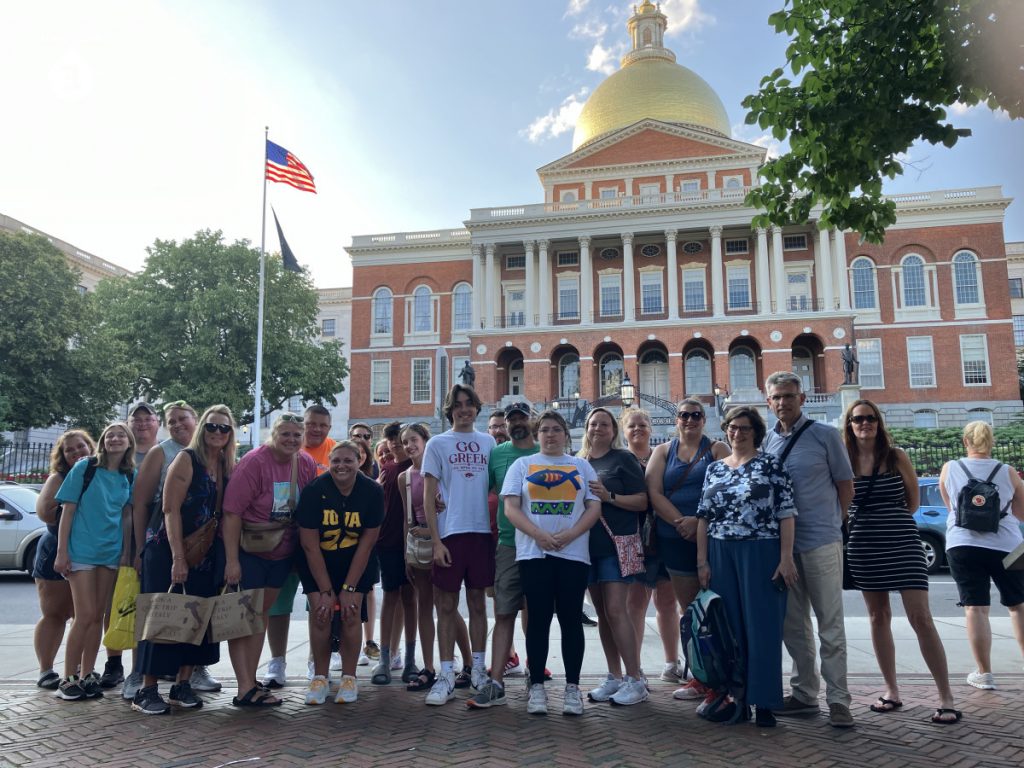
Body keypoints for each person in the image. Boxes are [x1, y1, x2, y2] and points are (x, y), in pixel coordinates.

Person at [842, 399, 958, 723]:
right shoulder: (844, 460)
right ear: (849, 425)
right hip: (864, 545)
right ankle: (891, 690)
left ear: (879, 423)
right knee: (878, 616)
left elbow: (913, 502)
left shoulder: (896, 456)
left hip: (903, 542)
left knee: (921, 617)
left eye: (870, 418)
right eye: (858, 419)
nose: (865, 423)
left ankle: (946, 697)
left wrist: (888, 520)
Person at [762, 371, 855, 728]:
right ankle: (804, 693)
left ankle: (839, 700)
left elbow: (845, 486)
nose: (783, 402)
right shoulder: (767, 441)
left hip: (820, 542)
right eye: (776, 397)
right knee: (793, 625)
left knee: (830, 624)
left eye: (789, 395)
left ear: (802, 399)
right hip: (782, 548)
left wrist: (833, 523)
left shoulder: (825, 435)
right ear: (768, 402)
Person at [696, 406, 797, 727]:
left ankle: (765, 702)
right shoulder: (714, 469)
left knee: (763, 628)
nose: (737, 433)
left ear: (756, 432)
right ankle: (738, 700)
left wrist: (786, 557)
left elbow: (786, 513)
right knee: (730, 631)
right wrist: (702, 561)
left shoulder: (771, 464)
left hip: (761, 551)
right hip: (720, 551)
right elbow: (703, 516)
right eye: (732, 427)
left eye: (744, 428)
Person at [132, 405, 237, 715]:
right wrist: (178, 558)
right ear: (202, 427)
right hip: (169, 548)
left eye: (224, 428)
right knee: (163, 617)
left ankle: (182, 684)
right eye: (212, 426)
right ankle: (147, 689)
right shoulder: (187, 458)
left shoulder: (225, 464)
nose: (217, 432)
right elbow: (170, 509)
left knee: (197, 617)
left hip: (205, 552)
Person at [502, 409, 601, 716]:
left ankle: (572, 688)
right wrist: (539, 535)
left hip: (573, 554)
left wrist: (571, 534)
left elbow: (594, 507)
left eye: (556, 429)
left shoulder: (581, 465)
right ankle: (537, 686)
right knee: (539, 620)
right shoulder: (522, 465)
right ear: (537, 434)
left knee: (571, 620)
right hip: (535, 554)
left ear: (566, 434)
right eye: (544, 429)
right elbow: (511, 508)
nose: (550, 434)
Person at [222, 412, 317, 707]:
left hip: (282, 552)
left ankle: (250, 682)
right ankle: (244, 688)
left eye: (296, 435)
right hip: (250, 552)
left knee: (261, 616)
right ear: (273, 435)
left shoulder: (305, 463)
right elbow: (231, 513)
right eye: (285, 433)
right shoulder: (254, 462)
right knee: (244, 619)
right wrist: (232, 561)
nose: (291, 439)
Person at [645, 398, 729, 700]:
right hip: (675, 540)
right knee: (690, 610)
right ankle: (699, 675)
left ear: (704, 419)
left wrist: (699, 523)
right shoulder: (662, 452)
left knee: (719, 607)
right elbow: (653, 493)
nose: (690, 420)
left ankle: (724, 673)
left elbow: (729, 491)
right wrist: (682, 523)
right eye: (684, 415)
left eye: (695, 415)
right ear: (676, 419)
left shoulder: (718, 449)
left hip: (713, 539)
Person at [421, 385, 496, 705]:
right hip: (450, 534)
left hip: (481, 533)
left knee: (478, 604)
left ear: (477, 408)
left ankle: (478, 669)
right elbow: (428, 497)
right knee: (446, 607)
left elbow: (496, 487)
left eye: (469, 404)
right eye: (458, 405)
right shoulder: (437, 443)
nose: (464, 409)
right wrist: (436, 541)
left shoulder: (489, 442)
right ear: (449, 410)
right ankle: (446, 674)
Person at [940, 420, 1024, 697]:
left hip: (963, 544)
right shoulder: (1008, 472)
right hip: (1008, 545)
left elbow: (951, 507)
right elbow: (1021, 513)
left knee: (975, 608)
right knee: (1018, 606)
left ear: (965, 441)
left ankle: (984, 673)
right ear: (992, 441)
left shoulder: (950, 468)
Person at [53, 422, 136, 701]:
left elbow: (127, 514)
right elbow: (68, 510)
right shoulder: (85, 468)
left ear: (129, 442)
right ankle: (68, 678)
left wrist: (126, 552)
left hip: (110, 552)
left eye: (121, 435)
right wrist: (62, 552)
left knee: (99, 616)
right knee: (84, 615)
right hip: (82, 551)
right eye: (110, 435)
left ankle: (88, 674)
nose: (115, 439)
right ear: (102, 441)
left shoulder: (129, 474)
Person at [128, 400, 206, 699]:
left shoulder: (211, 452)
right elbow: (141, 504)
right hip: (162, 541)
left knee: (194, 612)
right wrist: (140, 548)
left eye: (182, 419)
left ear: (195, 419)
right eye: (171, 421)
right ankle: (144, 681)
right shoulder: (160, 453)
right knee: (158, 612)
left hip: (201, 544)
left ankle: (187, 678)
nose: (177, 425)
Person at [298, 441, 383, 705]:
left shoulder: (372, 491)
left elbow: (367, 543)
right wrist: (325, 591)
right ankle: (320, 678)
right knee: (321, 614)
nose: (341, 465)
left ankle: (349, 677)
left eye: (348, 460)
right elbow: (309, 545)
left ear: (359, 462)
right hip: (318, 562)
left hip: (355, 563)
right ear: (329, 463)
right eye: (336, 460)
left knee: (350, 614)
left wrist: (348, 589)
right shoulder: (314, 490)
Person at [577, 407, 650, 707]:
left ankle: (635, 678)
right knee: (603, 614)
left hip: (615, 545)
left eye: (604, 424)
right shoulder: (579, 461)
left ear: (613, 430)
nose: (598, 428)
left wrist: (610, 497)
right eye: (593, 424)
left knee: (617, 610)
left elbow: (643, 501)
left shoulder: (623, 459)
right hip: (586, 547)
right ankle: (614, 676)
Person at [469, 402, 538, 709]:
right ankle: (496, 682)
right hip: (508, 543)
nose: (517, 423)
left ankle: (535, 675)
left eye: (522, 417)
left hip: (541, 544)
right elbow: (482, 491)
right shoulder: (496, 454)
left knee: (536, 613)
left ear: (532, 420)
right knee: (504, 612)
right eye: (512, 419)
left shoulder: (543, 452)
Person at [265, 405, 339, 688]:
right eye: (311, 424)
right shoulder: (285, 451)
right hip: (282, 539)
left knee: (318, 604)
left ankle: (315, 661)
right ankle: (277, 662)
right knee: (278, 604)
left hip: (320, 542)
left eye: (322, 425)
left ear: (329, 428)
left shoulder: (334, 452)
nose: (316, 429)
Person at [397, 423, 474, 693]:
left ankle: (467, 663)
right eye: (405, 442)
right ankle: (428, 667)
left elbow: (455, 506)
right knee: (424, 605)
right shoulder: (404, 478)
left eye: (414, 440)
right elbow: (407, 518)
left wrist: (434, 530)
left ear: (426, 441)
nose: (409, 446)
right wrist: (406, 553)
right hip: (418, 546)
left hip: (443, 541)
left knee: (446, 605)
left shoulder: (444, 469)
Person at [620, 408, 684, 689]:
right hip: (633, 538)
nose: (638, 429)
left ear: (651, 428)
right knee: (635, 603)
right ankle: (634, 667)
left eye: (643, 424)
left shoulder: (664, 456)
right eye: (632, 425)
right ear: (624, 431)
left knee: (667, 602)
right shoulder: (620, 459)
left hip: (664, 536)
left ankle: (671, 663)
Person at [33, 430, 95, 689]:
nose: (77, 452)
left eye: (81, 446)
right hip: (56, 551)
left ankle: (80, 669)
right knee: (55, 613)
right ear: (62, 456)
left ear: (91, 447)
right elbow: (45, 512)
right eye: (69, 450)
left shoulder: (101, 474)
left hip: (90, 553)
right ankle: (46, 670)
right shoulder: (58, 478)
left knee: (85, 615)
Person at [371, 421, 417, 685]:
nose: (398, 445)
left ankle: (410, 658)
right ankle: (385, 658)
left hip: (411, 542)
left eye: (401, 440)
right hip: (387, 542)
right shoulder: (386, 470)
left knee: (410, 599)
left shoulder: (417, 468)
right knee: (390, 597)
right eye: (393, 441)